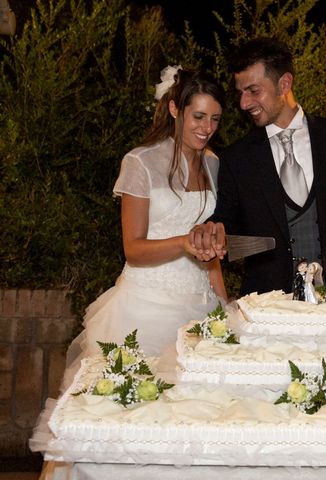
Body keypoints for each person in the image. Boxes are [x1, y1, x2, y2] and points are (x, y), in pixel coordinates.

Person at [190, 37, 326, 322]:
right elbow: (225, 224)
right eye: (241, 93)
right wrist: (210, 234)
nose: (244, 103)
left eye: (253, 91)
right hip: (267, 306)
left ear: (284, 84)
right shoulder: (237, 158)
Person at [62, 66, 228, 386]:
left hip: (201, 301)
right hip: (145, 306)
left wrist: (224, 301)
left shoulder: (213, 163)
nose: (207, 128)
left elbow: (208, 248)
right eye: (198, 117)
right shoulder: (140, 163)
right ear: (175, 109)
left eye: (215, 119)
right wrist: (183, 243)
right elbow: (133, 249)